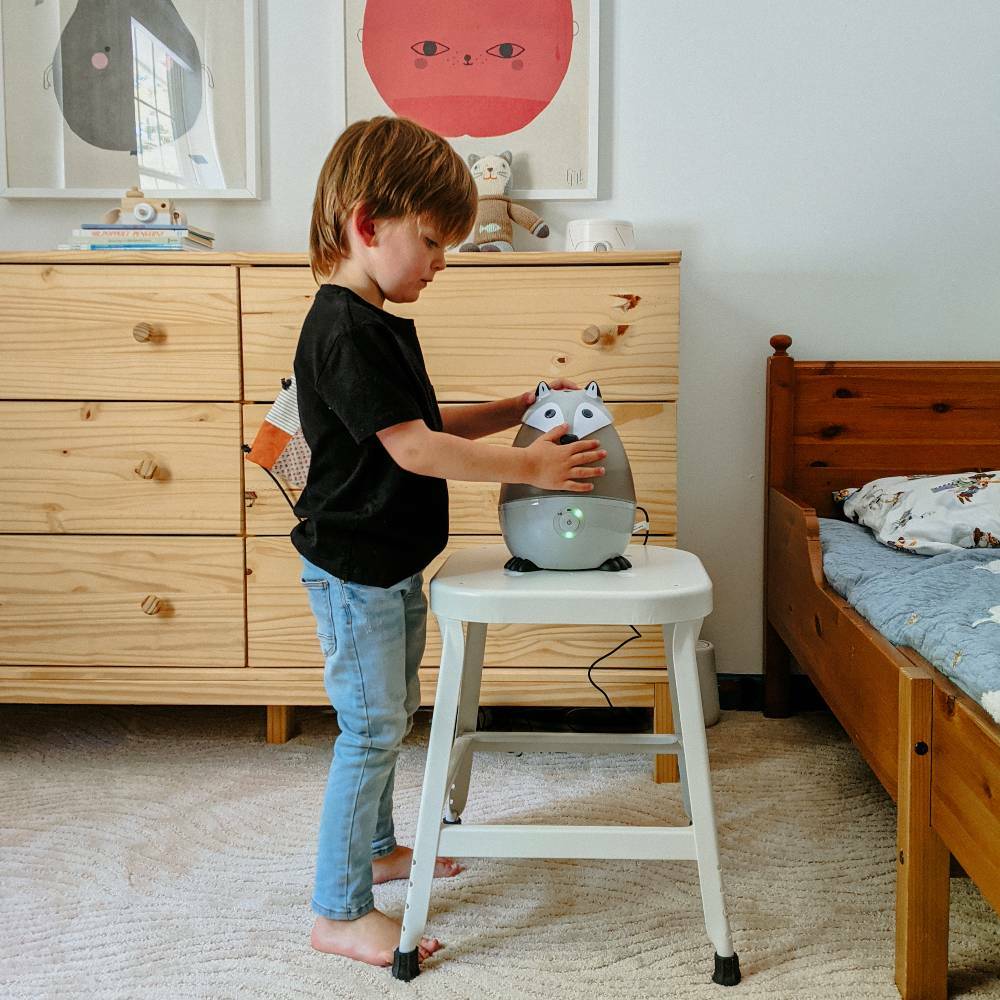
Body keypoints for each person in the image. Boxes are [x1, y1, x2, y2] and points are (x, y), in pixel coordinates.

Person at [293, 116, 607, 970]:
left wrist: (515, 408)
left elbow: (424, 426)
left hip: (387, 561)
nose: (440, 263)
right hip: (354, 568)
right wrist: (533, 467)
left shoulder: (377, 320)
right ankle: (336, 911)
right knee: (369, 729)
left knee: (390, 717)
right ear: (367, 224)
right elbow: (417, 452)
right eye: (431, 242)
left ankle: (378, 851)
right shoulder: (345, 329)